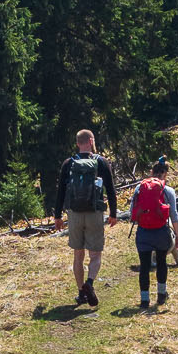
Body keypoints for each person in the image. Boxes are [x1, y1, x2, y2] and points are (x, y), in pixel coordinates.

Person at [54, 128, 117, 308]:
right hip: (94, 212)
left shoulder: (68, 163)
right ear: (91, 141)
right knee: (95, 254)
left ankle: (81, 293)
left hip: (73, 213)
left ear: (77, 143)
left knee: (78, 255)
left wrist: (58, 216)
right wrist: (113, 213)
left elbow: (61, 192)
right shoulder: (101, 162)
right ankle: (89, 283)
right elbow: (111, 190)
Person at [128, 158, 178, 309]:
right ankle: (161, 296)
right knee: (161, 263)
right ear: (165, 174)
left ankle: (144, 300)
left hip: (144, 233)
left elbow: (131, 213)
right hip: (161, 232)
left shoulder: (139, 188)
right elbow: (174, 216)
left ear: (151, 172)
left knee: (144, 266)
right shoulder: (169, 191)